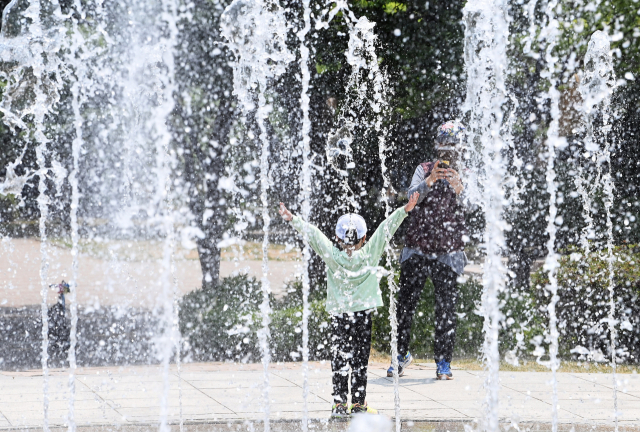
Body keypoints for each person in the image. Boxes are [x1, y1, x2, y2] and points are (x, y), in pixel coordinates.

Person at [279, 192, 419, 418]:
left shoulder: (332, 255)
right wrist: (405, 209)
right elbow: (386, 228)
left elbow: (313, 235)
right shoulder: (369, 254)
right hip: (363, 315)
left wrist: (292, 218)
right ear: (364, 238)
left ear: (337, 237)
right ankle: (358, 404)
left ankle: (339, 404)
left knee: (340, 359)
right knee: (360, 360)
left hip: (340, 315)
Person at [387, 120, 468, 381]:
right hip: (417, 248)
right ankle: (400, 354)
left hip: (448, 250)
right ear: (436, 147)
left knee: (446, 308)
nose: (447, 154)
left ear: (459, 149)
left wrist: (459, 189)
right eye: (443, 148)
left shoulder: (465, 172)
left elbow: (474, 209)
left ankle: (444, 361)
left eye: (452, 149)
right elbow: (410, 201)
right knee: (406, 305)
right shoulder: (423, 169)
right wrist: (430, 181)